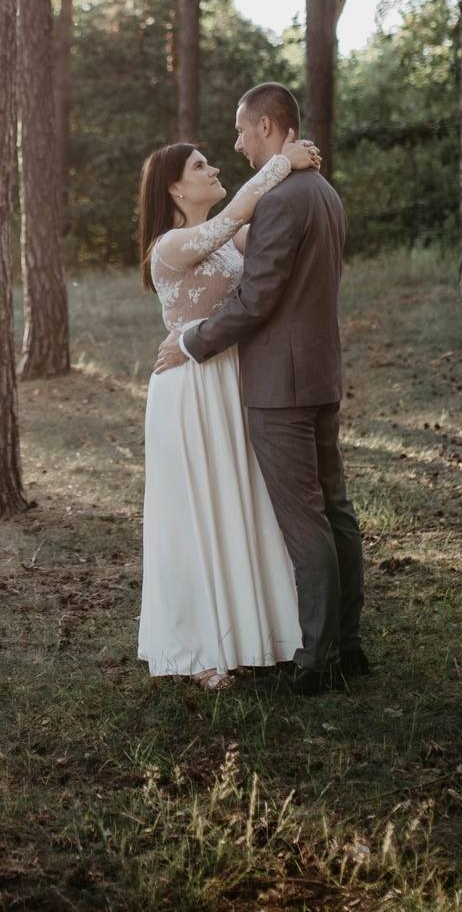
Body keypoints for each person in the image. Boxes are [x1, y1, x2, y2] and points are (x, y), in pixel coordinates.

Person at [157, 82, 365, 696]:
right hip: (320, 372)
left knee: (306, 522)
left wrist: (193, 341)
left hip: (282, 383)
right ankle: (347, 645)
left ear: (269, 127)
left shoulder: (279, 201)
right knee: (336, 511)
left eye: (244, 131)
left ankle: (319, 657)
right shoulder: (321, 191)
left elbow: (257, 298)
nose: (237, 143)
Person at [137, 129, 319, 688]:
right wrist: (279, 163)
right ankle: (203, 646)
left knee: (242, 499)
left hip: (234, 377)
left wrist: (299, 178)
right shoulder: (169, 245)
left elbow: (257, 230)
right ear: (174, 187)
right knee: (199, 508)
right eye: (201, 166)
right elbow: (241, 208)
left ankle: (256, 633)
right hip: (189, 386)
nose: (213, 169)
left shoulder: (225, 241)